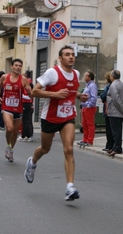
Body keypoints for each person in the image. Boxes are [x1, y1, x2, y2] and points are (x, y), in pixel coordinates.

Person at [24, 45, 88, 201]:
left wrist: (79, 96)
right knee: (45, 148)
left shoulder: (76, 74)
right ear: (60, 58)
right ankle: (32, 162)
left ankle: (70, 187)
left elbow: (71, 91)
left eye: (73, 54)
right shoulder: (52, 72)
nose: (71, 57)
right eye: (67, 54)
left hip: (67, 117)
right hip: (50, 117)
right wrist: (55, 94)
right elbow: (34, 92)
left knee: (69, 149)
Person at [0, 59, 30, 162]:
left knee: (15, 132)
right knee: (9, 128)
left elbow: (29, 91)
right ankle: (8, 144)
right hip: (6, 107)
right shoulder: (5, 77)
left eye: (20, 66)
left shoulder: (23, 79)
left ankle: (10, 149)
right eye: (16, 65)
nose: (18, 67)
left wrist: (29, 91)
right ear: (12, 66)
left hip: (18, 107)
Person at [106, 70, 123, 157]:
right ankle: (116, 146)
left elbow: (116, 99)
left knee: (115, 131)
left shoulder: (113, 85)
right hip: (120, 112)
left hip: (114, 111)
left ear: (112, 76)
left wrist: (122, 109)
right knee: (118, 130)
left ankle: (117, 148)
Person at [78, 70, 98, 146]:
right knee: (84, 124)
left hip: (89, 107)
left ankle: (90, 140)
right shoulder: (87, 85)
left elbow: (93, 97)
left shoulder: (92, 86)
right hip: (84, 107)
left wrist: (89, 105)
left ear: (90, 77)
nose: (84, 77)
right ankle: (85, 139)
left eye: (86, 76)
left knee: (90, 124)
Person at [100, 71, 113, 152]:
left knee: (109, 129)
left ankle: (109, 145)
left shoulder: (108, 87)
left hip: (108, 108)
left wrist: (102, 95)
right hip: (113, 109)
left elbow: (104, 96)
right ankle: (111, 145)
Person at [18, 73, 34, 142]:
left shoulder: (28, 85)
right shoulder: (24, 85)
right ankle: (26, 135)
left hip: (27, 104)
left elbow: (29, 96)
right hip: (25, 104)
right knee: (25, 120)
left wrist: (21, 96)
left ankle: (26, 135)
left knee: (26, 120)